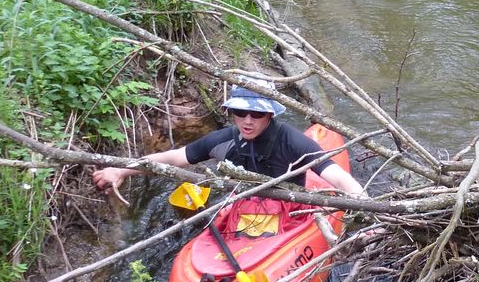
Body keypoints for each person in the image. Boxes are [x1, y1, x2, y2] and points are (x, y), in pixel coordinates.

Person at [92, 85, 365, 202]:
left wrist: (367, 209)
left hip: (289, 207)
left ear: (270, 115)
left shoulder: (293, 141)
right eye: (240, 112)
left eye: (256, 114)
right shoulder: (223, 140)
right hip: (244, 204)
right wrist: (121, 170)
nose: (247, 121)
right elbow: (173, 158)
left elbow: (338, 178)